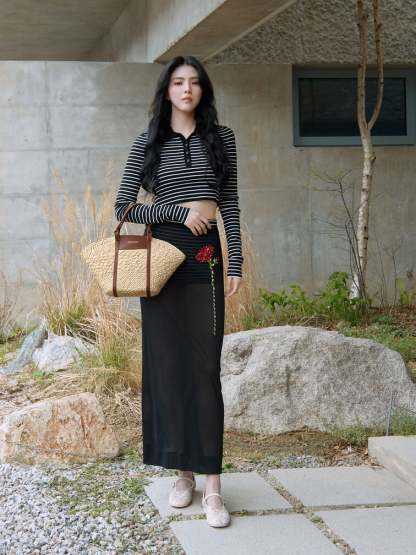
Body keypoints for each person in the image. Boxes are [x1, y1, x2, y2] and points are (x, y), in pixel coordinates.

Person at [114, 55, 244, 528]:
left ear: (203, 90)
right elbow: (123, 207)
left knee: (205, 370)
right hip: (163, 265)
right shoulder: (148, 142)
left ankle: (213, 486)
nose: (186, 89)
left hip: (206, 263)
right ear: (166, 90)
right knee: (170, 369)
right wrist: (175, 212)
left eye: (194, 82)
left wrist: (236, 261)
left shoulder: (221, 139)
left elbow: (230, 204)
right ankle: (183, 474)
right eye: (178, 82)